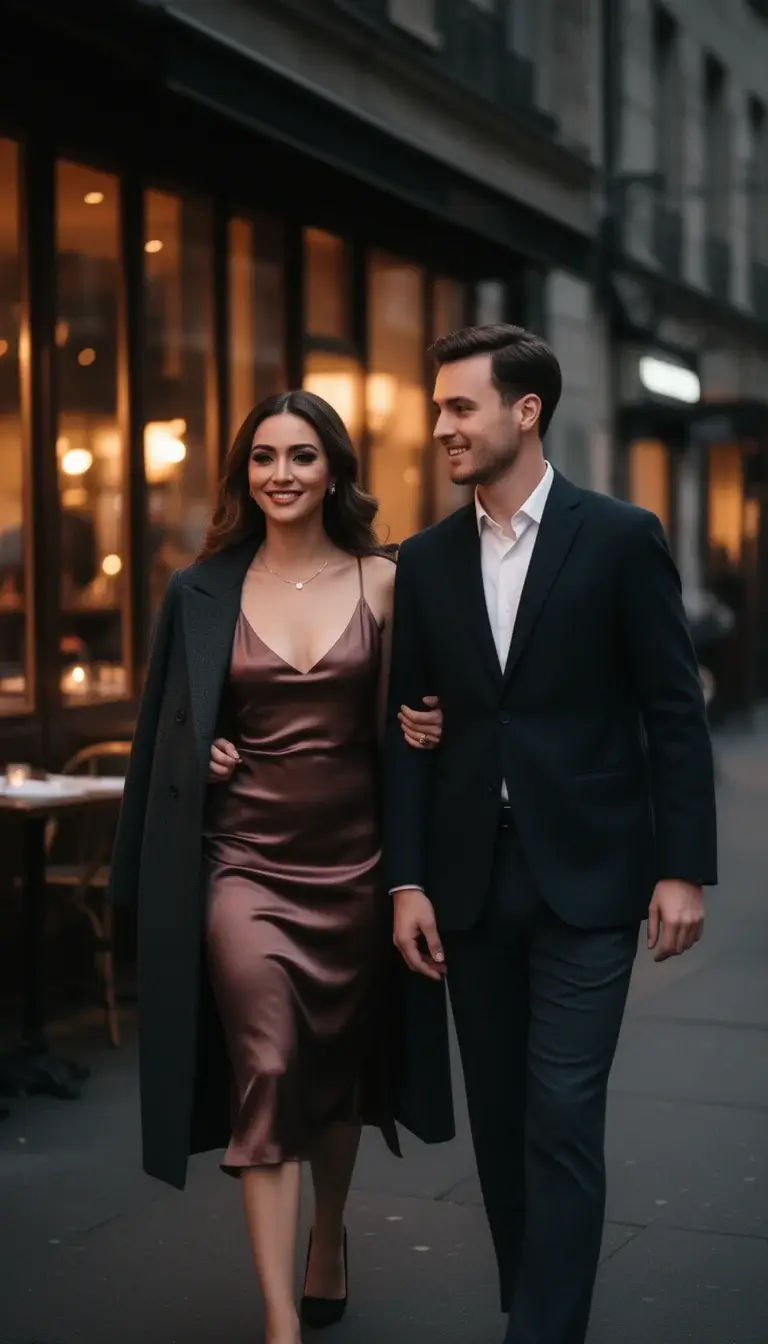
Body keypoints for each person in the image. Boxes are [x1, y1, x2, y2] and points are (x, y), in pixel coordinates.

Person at [384, 325, 717, 1344]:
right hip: (471, 885)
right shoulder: (425, 559)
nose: (439, 426)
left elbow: (672, 709)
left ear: (525, 412)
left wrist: (682, 868)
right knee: (500, 1119)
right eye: (437, 408)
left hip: (593, 874)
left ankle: (542, 1332)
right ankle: (536, 1303)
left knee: (562, 1114)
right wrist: (406, 882)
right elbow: (407, 729)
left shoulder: (618, 535)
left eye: (458, 407)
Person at [108, 390, 443, 1344]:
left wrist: (436, 723)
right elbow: (160, 738)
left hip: (356, 866)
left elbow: (412, 726)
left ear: (332, 469)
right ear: (242, 473)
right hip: (241, 866)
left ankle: (328, 1237)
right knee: (267, 1064)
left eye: (301, 457)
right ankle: (277, 1322)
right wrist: (197, 750)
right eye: (263, 458)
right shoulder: (200, 588)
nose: (281, 475)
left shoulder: (386, 582)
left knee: (332, 1078)